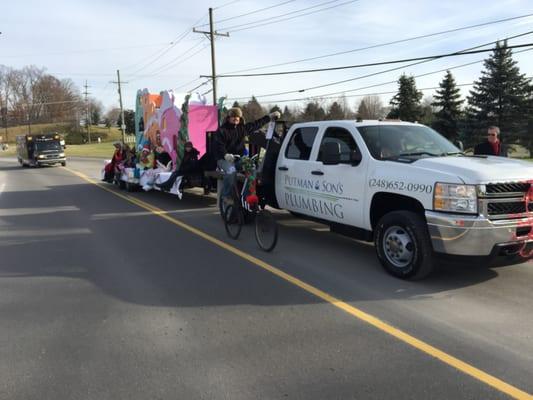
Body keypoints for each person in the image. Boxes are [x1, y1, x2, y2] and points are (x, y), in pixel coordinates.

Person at [214, 107, 280, 205]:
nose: (235, 118)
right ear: (229, 118)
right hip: (224, 159)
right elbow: (219, 145)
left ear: (240, 118)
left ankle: (248, 194)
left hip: (239, 158)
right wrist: (225, 155)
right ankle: (226, 196)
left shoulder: (243, 129)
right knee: (231, 171)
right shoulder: (222, 130)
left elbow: (257, 124)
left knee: (252, 167)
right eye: (233, 116)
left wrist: (269, 117)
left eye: (237, 116)